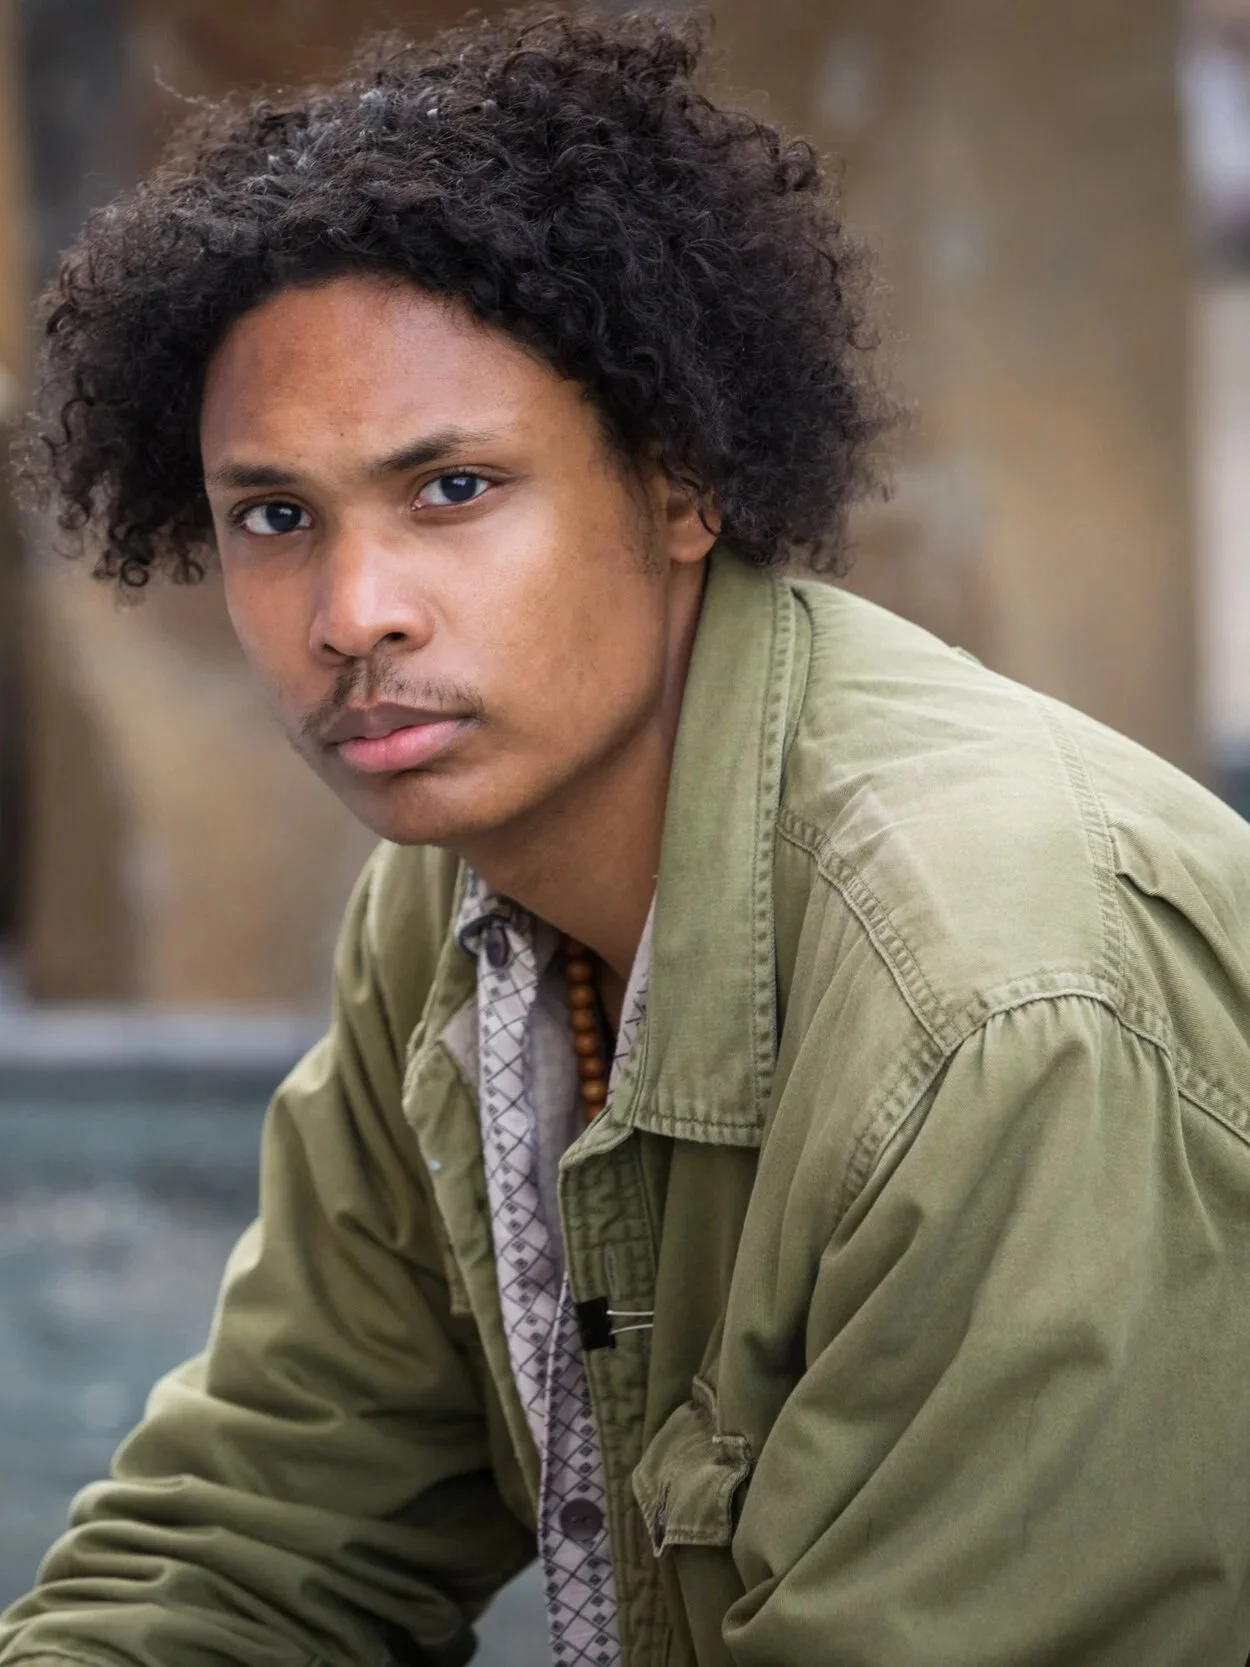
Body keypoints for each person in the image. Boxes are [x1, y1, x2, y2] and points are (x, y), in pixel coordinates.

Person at [5, 7, 1250, 1666]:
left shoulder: (996, 1000)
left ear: (678, 482)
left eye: (452, 488)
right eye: (276, 516)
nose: (352, 612)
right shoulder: (450, 907)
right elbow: (262, 1542)